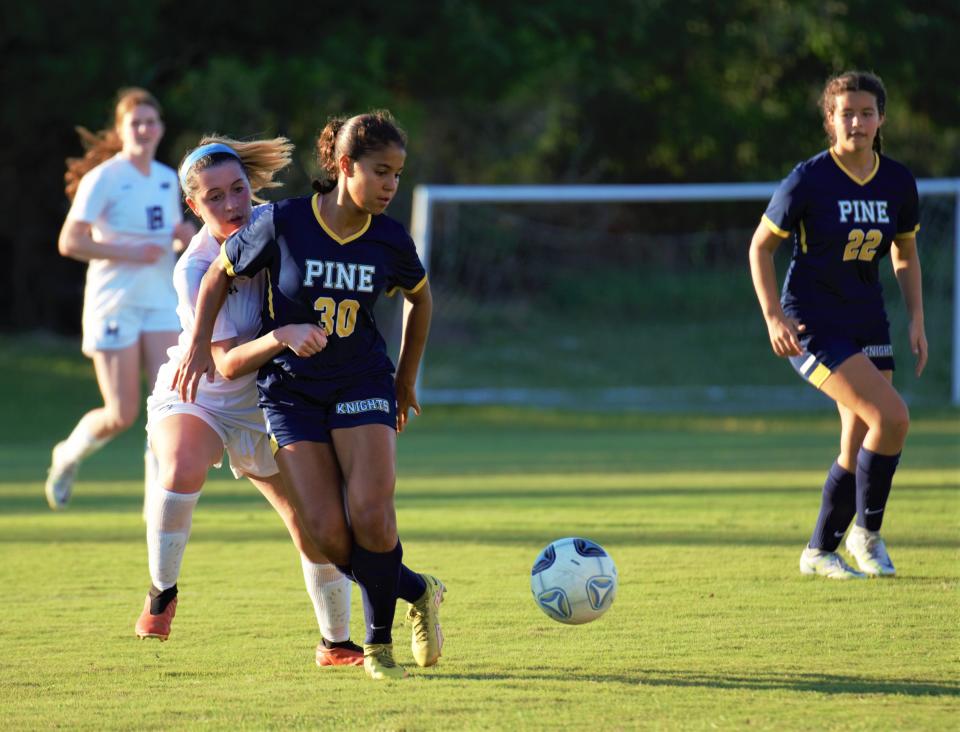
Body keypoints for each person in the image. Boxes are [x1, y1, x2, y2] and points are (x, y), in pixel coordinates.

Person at [174, 111, 445, 680]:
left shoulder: (391, 239)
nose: (392, 185)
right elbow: (217, 275)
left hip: (362, 380)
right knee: (325, 533)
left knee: (371, 513)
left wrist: (405, 378)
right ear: (345, 167)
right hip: (291, 393)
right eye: (382, 172)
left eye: (398, 173)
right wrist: (199, 341)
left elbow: (421, 302)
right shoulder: (285, 222)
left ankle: (378, 645)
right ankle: (419, 590)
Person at [136, 135, 363, 667]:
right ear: (193, 206)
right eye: (214, 198)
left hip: (270, 404)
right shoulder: (194, 270)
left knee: (314, 524)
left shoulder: (286, 229)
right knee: (181, 464)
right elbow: (225, 363)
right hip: (203, 393)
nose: (232, 204)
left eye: (238, 189)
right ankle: (162, 591)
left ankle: (336, 643)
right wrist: (285, 335)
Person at [748, 71, 927, 580]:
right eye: (846, 113)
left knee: (858, 438)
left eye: (866, 112)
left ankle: (819, 551)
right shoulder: (808, 179)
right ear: (830, 121)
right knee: (892, 418)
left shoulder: (897, 181)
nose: (857, 121)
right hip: (812, 321)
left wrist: (917, 319)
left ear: (881, 118)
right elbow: (760, 247)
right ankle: (866, 536)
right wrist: (772, 317)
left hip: (867, 317)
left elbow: (905, 253)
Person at [47, 88, 196, 511]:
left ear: (161, 128)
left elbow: (170, 241)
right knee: (122, 412)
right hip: (114, 304)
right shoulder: (104, 179)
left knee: (168, 402)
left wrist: (181, 238)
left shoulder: (169, 179)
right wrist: (130, 252)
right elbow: (70, 241)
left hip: (160, 301)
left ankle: (158, 506)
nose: (145, 129)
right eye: (136, 122)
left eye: (151, 122)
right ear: (120, 130)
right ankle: (66, 456)